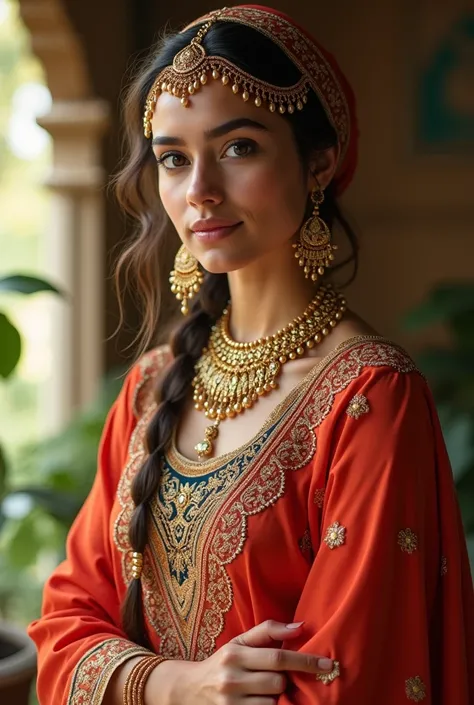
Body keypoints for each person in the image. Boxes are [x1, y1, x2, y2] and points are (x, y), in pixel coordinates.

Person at [28, 5, 474, 705]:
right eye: (174, 158)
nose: (200, 190)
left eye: (238, 147)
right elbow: (60, 631)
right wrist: (177, 683)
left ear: (319, 161)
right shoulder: (151, 388)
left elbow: (349, 682)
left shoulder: (367, 396)